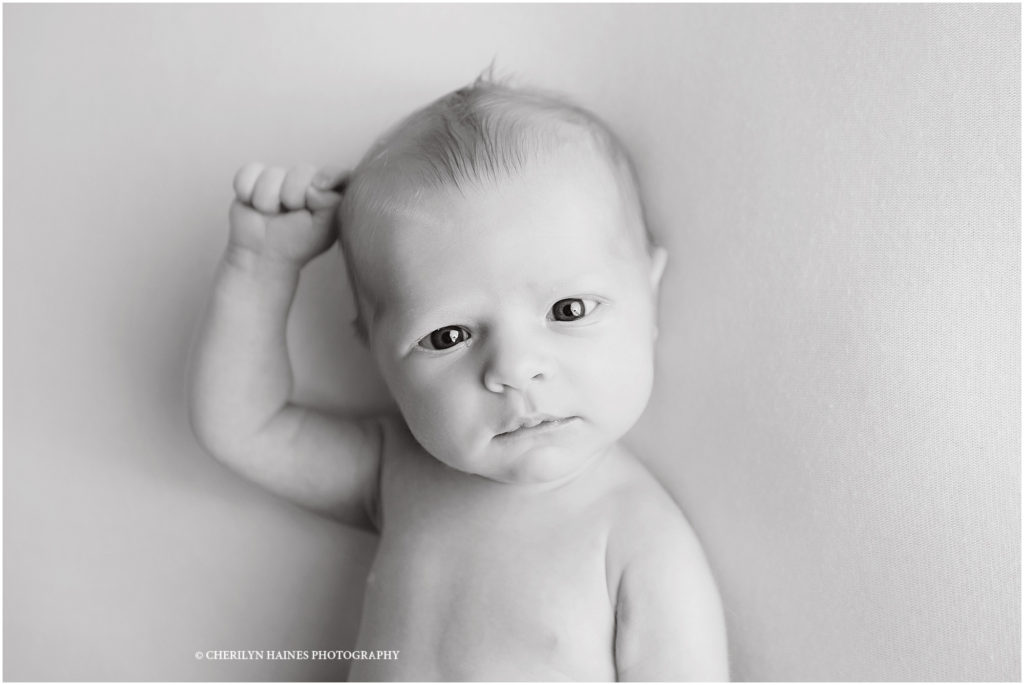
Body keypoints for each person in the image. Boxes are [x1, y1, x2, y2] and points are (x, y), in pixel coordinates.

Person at [187, 73, 729, 681]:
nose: (514, 369)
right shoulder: (401, 471)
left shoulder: (637, 537)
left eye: (568, 310)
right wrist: (259, 266)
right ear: (376, 354)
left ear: (648, 299)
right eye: (447, 337)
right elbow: (243, 427)